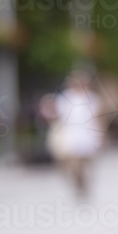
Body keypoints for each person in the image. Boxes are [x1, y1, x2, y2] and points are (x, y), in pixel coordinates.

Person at [39, 69, 105, 198]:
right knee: (74, 164)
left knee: (86, 163)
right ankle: (79, 184)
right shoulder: (64, 98)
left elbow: (98, 118)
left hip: (88, 134)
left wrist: (101, 135)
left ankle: (84, 183)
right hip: (71, 134)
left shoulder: (92, 98)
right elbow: (58, 116)